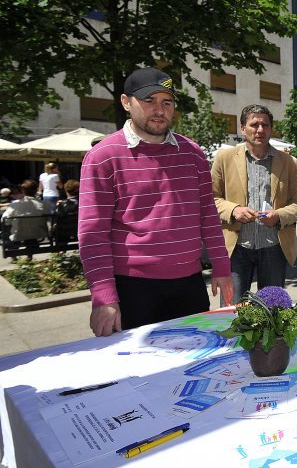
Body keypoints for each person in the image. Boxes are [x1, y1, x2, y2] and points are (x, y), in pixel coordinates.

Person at [78, 67, 233, 336]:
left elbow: (208, 215)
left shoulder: (193, 153)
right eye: (149, 100)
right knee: (136, 373)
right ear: (126, 103)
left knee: (194, 363)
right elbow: (93, 233)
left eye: (167, 102)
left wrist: (222, 267)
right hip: (133, 288)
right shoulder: (103, 157)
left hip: (190, 284)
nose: (159, 109)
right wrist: (103, 296)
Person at [211, 105, 297, 303]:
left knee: (272, 313)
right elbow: (211, 198)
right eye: (254, 124)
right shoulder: (224, 158)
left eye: (265, 125)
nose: (260, 130)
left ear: (272, 129)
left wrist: (280, 216)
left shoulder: (289, 162)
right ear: (242, 128)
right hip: (236, 248)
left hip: (274, 247)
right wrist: (234, 210)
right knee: (232, 311)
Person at [1, 179, 49, 260]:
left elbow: (5, 220)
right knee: (30, 228)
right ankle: (29, 255)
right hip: (38, 233)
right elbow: (47, 218)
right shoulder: (44, 204)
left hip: (19, 234)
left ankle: (13, 253)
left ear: (23, 191)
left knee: (10, 228)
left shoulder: (16, 204)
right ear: (36, 190)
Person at [53, 179, 79, 251]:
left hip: (64, 231)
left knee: (59, 227)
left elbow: (57, 217)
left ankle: (61, 251)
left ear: (66, 191)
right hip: (79, 230)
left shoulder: (62, 204)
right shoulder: (83, 204)